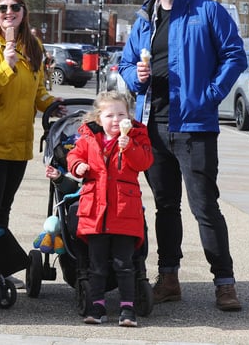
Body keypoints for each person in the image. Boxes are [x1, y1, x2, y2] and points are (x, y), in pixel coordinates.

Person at [118, 0, 246, 311]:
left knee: (205, 206)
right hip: (152, 127)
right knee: (165, 207)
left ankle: (224, 283)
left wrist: (211, 93)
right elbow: (125, 63)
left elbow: (234, 54)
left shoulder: (207, 11)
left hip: (195, 127)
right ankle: (169, 278)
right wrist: (135, 76)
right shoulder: (144, 18)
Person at [0, 0, 63, 288]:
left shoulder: (33, 46)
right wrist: (5, 66)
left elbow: (37, 90)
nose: (9, 13)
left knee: (3, 208)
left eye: (15, 7)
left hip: (18, 143)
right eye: (2, 8)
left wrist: (52, 104)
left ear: (23, 12)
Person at [66, 91, 153, 327]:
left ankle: (127, 308)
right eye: (110, 115)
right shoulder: (87, 138)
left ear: (129, 116)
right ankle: (97, 306)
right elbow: (73, 156)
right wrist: (78, 166)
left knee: (125, 264)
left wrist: (131, 146)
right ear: (98, 117)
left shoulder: (137, 137)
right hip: (95, 213)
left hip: (124, 212)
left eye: (121, 114)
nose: (116, 120)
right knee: (97, 265)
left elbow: (144, 162)